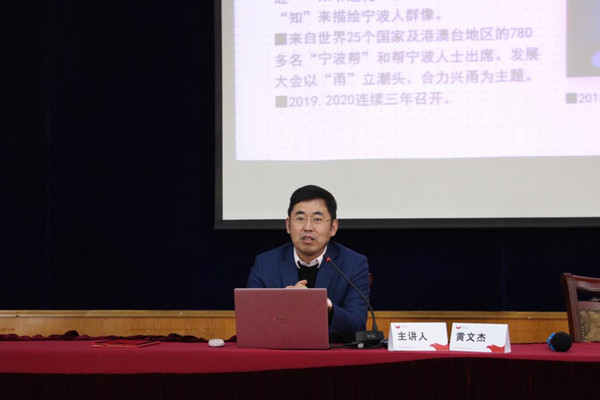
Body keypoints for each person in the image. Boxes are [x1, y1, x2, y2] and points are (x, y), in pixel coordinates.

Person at [247, 185, 371, 343]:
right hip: (280, 350)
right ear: (288, 225)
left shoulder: (353, 264)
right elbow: (251, 323)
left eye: (317, 219)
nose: (307, 227)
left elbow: (358, 326)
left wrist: (323, 305)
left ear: (333, 227)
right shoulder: (265, 264)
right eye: (300, 219)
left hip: (330, 354)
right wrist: (283, 304)